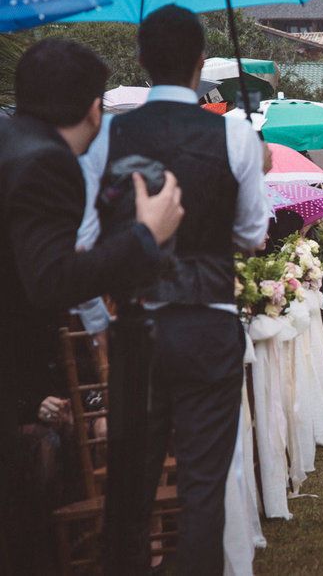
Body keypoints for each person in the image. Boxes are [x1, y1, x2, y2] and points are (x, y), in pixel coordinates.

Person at [78, 5, 270, 574]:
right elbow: (253, 235)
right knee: (203, 491)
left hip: (136, 328)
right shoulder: (233, 134)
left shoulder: (107, 136)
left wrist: (98, 328)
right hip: (209, 323)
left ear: (140, 60)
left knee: (130, 495)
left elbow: (85, 242)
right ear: (201, 60)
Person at [0, 38, 184, 574]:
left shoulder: (12, 141)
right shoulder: (46, 164)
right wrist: (146, 236)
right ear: (92, 108)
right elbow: (51, 280)